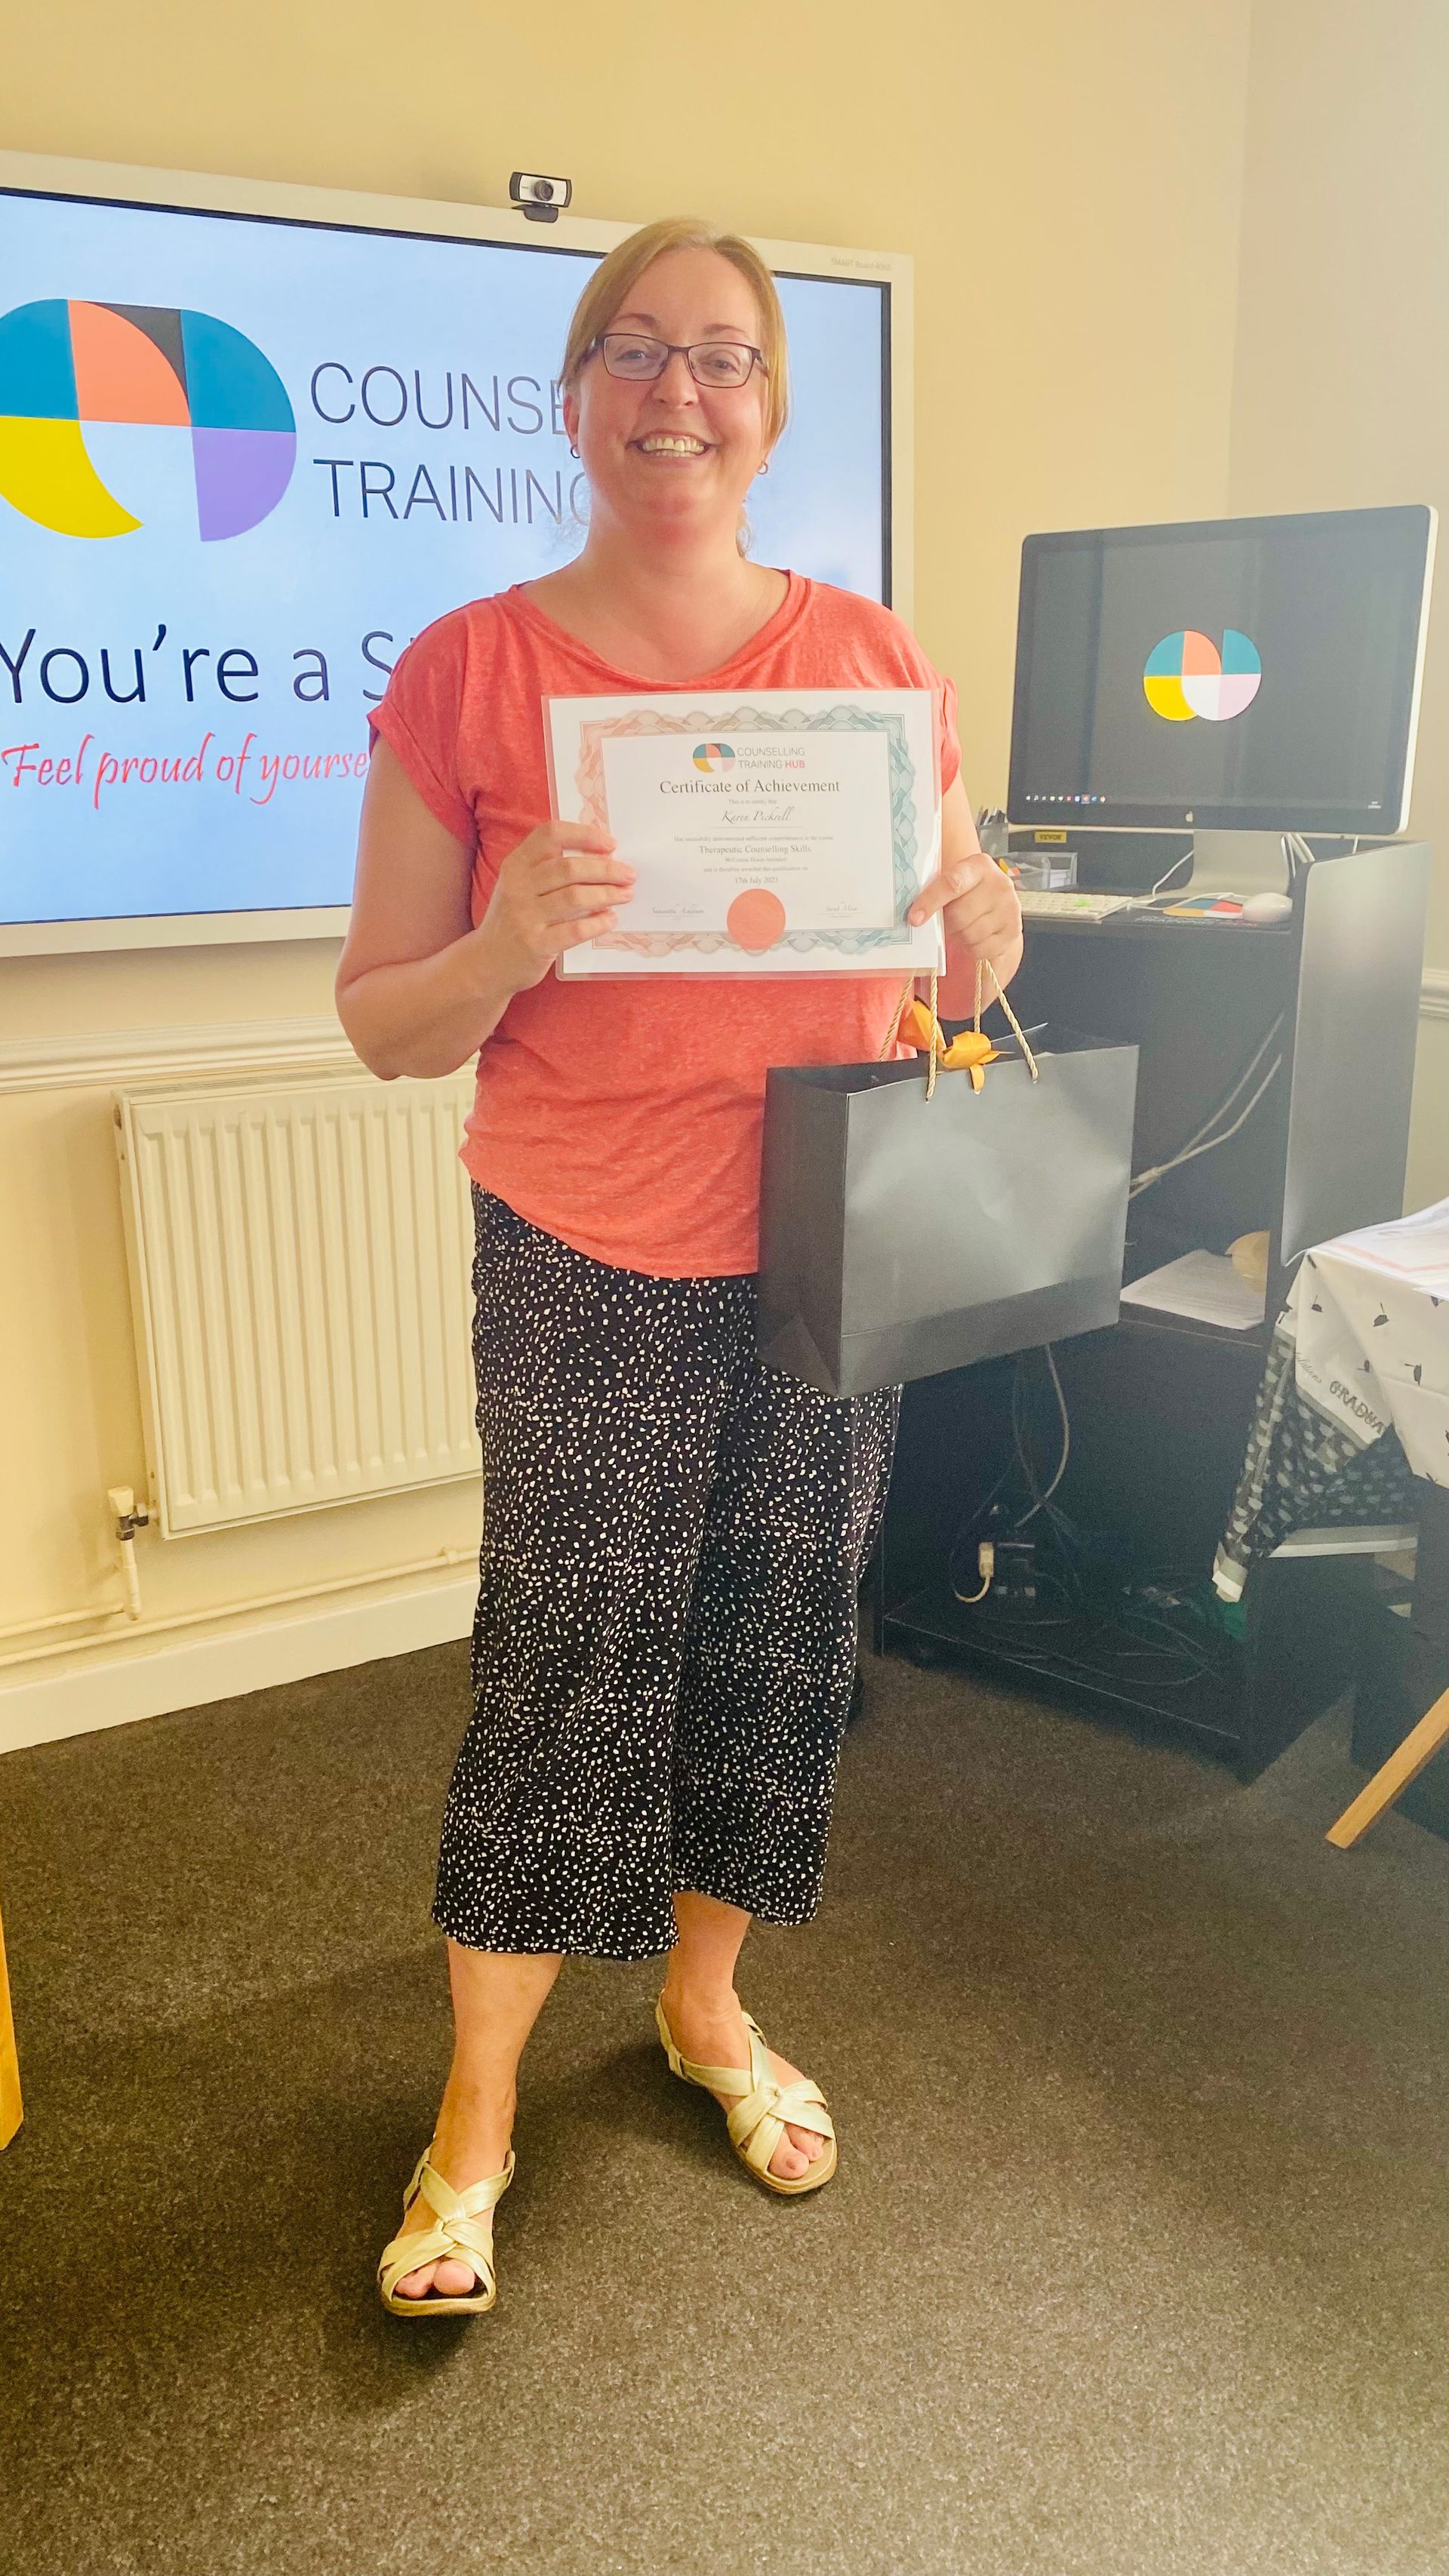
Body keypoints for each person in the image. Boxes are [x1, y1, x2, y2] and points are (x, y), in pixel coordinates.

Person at [336, 215, 1023, 2316]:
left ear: (771, 408)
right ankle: (477, 2113)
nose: (677, 392)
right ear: (572, 395)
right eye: (635, 350)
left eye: (720, 357)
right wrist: (506, 937)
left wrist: (979, 955)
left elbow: (939, 1004)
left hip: (832, 1248)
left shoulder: (874, 660)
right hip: (585, 1249)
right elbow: (386, 1019)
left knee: (773, 1648)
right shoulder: (473, 666)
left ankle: (704, 2012)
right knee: (563, 1677)